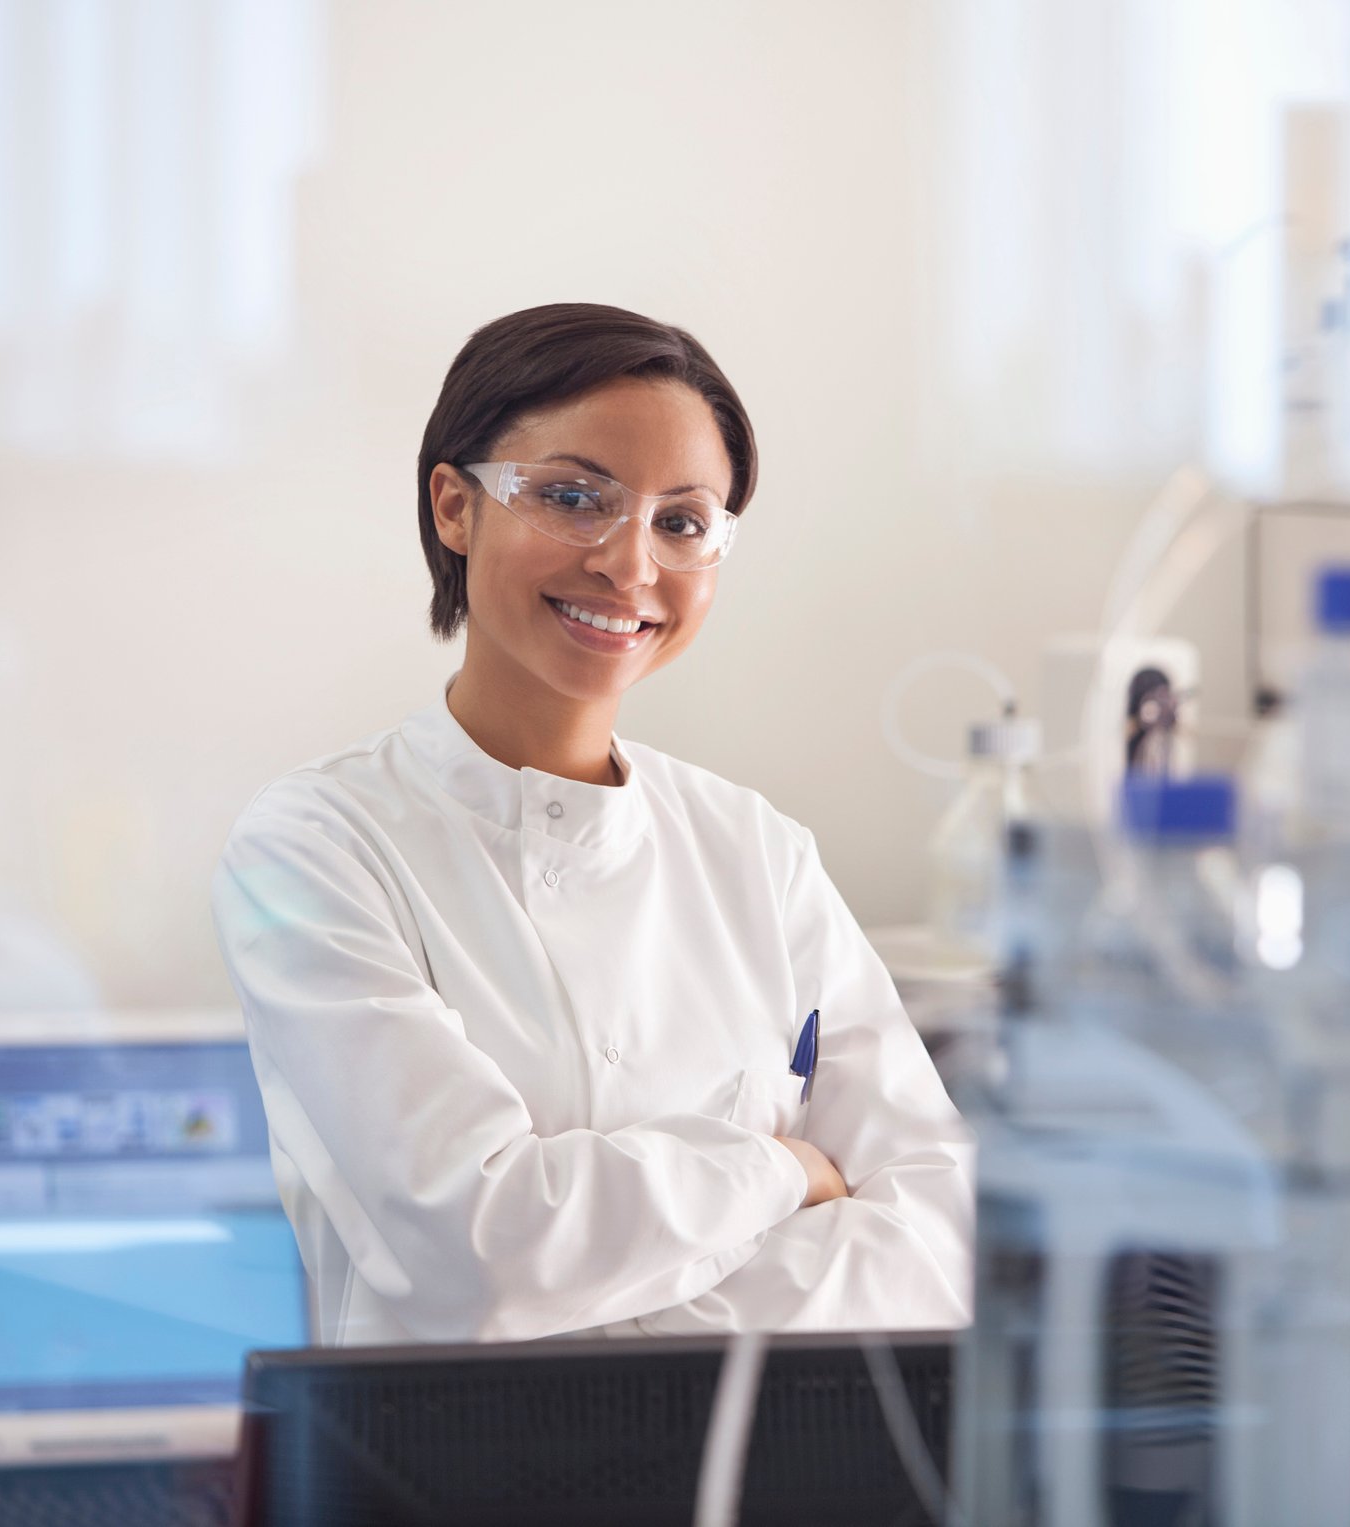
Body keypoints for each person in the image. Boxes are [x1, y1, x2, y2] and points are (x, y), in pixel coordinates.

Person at [210, 303, 972, 1346]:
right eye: (573, 497)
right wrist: (778, 1168)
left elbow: (938, 1239)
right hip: (444, 1493)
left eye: (682, 521)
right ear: (453, 507)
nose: (629, 565)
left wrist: (598, 1313)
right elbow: (476, 1254)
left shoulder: (757, 852)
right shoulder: (316, 848)